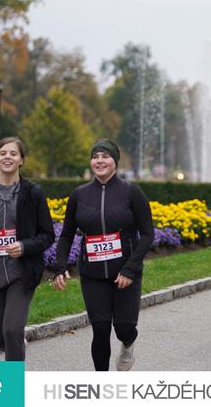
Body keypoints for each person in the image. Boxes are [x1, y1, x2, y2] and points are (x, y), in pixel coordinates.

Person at [52, 139, 154, 371]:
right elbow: (66, 234)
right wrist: (60, 266)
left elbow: (148, 234)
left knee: (124, 329)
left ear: (115, 161)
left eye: (105, 156)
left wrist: (130, 268)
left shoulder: (132, 192)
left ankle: (128, 344)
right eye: (95, 157)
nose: (99, 161)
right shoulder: (79, 195)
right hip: (93, 273)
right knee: (100, 329)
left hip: (125, 273)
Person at [0, 137, 55, 361]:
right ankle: (16, 345)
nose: (8, 157)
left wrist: (24, 246)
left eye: (13, 153)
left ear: (21, 160)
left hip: (21, 272)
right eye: (3, 153)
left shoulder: (33, 193)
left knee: (12, 330)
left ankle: (13, 379)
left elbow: (47, 235)